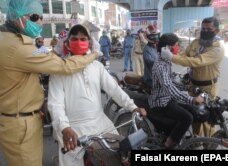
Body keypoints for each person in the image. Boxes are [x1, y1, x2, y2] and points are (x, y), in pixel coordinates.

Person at [0, 0, 98, 166]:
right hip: (21, 124)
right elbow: (65, 66)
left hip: (17, 120)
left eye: (41, 17)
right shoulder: (18, 47)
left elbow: (37, 53)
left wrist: (54, 50)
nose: (40, 22)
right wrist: (93, 55)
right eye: (35, 17)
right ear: (19, 17)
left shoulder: (7, 39)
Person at [47, 24, 146, 166]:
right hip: (72, 128)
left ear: (90, 43)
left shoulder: (97, 67)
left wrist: (133, 107)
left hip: (101, 123)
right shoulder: (59, 70)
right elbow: (55, 104)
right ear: (67, 44)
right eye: (74, 39)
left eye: (83, 39)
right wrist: (64, 127)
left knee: (120, 156)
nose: (79, 42)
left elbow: (114, 90)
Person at [161, 17, 225, 137]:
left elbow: (197, 61)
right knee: (195, 114)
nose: (205, 31)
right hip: (193, 85)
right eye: (203, 28)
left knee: (206, 117)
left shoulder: (217, 48)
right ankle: (196, 140)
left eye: (209, 29)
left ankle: (210, 145)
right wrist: (172, 52)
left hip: (208, 86)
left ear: (216, 31)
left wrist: (171, 57)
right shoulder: (196, 42)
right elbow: (184, 55)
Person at [148, 33, 204, 149]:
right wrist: (191, 99)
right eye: (176, 45)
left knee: (193, 111)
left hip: (168, 98)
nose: (178, 47)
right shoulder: (160, 65)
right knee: (187, 117)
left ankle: (182, 137)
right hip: (161, 102)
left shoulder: (166, 62)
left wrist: (187, 88)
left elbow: (171, 82)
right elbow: (169, 87)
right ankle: (169, 144)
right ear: (167, 48)